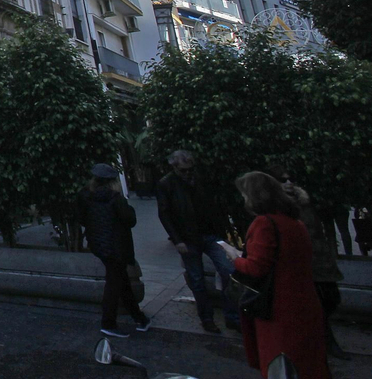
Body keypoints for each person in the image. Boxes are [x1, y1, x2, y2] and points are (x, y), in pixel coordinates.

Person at [220, 172, 328, 379]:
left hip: (278, 308)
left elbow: (255, 267)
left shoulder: (265, 223)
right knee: (307, 366)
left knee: (282, 364)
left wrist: (234, 256)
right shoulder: (295, 222)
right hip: (303, 303)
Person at [269, 168, 348, 362]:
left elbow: (318, 228)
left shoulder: (304, 201)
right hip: (300, 262)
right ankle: (326, 342)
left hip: (320, 258)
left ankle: (317, 337)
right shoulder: (275, 206)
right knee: (317, 304)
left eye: (291, 179)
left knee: (331, 298)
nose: (288, 183)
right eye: (283, 179)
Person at [156, 149, 239, 333]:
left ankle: (231, 316)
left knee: (228, 271)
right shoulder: (167, 184)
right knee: (197, 280)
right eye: (183, 170)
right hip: (188, 237)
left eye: (189, 169)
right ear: (175, 168)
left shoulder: (198, 179)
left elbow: (213, 204)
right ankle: (207, 318)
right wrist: (177, 240)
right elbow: (164, 214)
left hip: (208, 233)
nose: (187, 173)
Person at [80, 163, 151, 338]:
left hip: (99, 245)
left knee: (121, 281)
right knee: (114, 283)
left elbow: (82, 218)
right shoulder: (116, 198)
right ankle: (109, 322)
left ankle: (139, 318)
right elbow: (130, 220)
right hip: (117, 246)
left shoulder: (85, 196)